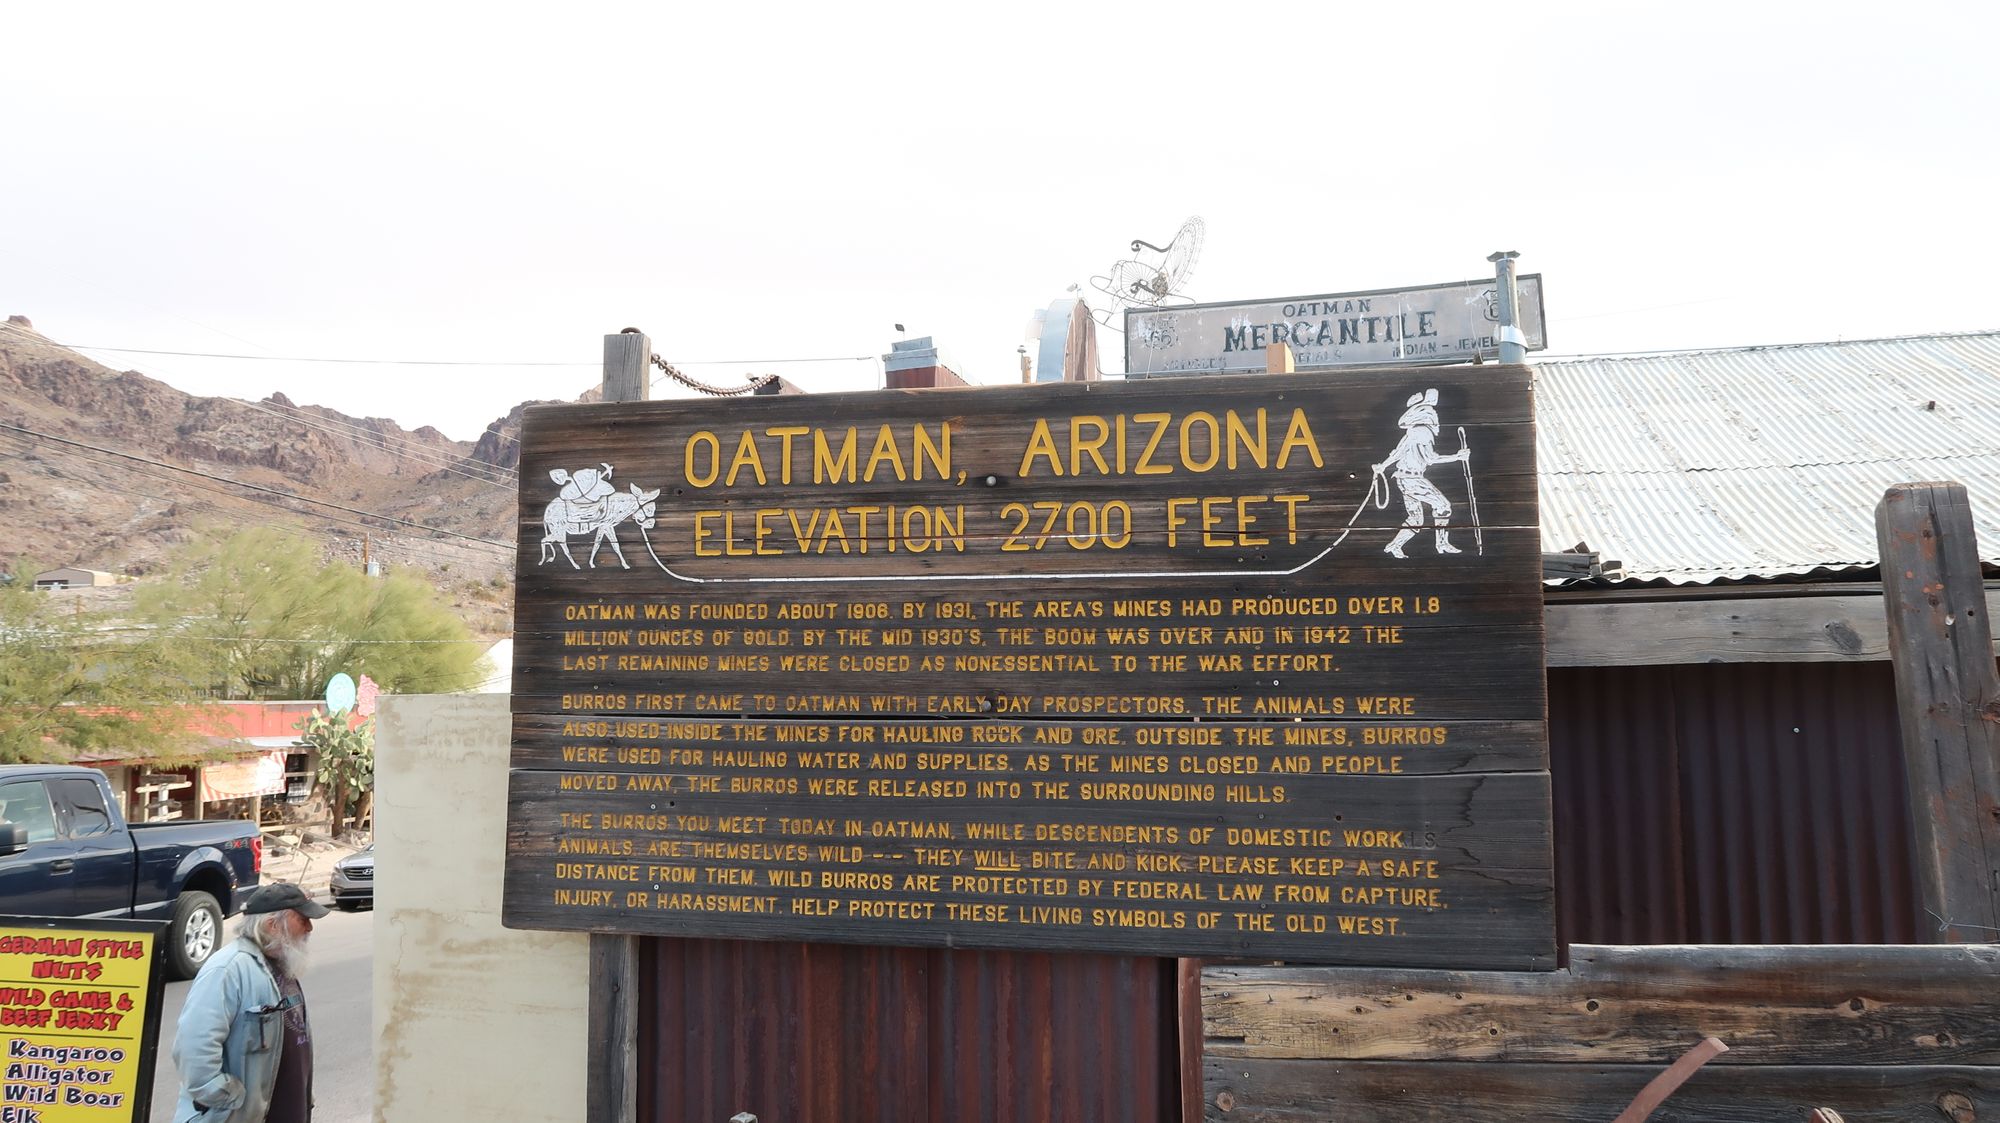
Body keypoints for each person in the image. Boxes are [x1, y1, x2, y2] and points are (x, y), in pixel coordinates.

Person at [173, 883, 327, 1122]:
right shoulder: (228, 969)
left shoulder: (283, 962)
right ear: (273, 926)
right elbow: (194, 1049)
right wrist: (231, 1101)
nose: (310, 927)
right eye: (303, 919)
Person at [1373, 388, 1469, 559]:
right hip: (1412, 479)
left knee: (1416, 519)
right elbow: (1430, 458)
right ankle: (1441, 543)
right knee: (1443, 506)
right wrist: (1457, 457)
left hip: (1404, 479)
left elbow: (1396, 453)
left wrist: (1383, 466)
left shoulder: (1412, 432)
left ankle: (1394, 545)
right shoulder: (1423, 432)